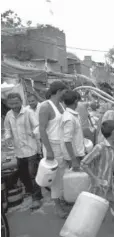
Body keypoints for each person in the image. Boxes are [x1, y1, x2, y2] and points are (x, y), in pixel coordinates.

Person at [81, 120, 114, 237]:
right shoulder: (100, 147)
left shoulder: (113, 146)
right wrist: (95, 179)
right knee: (97, 216)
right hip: (99, 188)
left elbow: (111, 161)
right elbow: (83, 163)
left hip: (111, 186)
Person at [4, 93, 42, 209]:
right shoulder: (9, 115)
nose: (14, 105)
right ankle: (30, 192)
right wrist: (7, 137)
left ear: (21, 101)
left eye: (16, 103)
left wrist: (34, 133)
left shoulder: (28, 112)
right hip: (18, 151)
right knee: (24, 175)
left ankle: (36, 198)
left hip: (31, 149)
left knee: (33, 175)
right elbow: (7, 129)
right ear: (8, 104)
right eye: (11, 104)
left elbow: (37, 126)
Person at [38, 81, 68, 218]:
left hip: (61, 146)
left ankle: (60, 200)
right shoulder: (45, 106)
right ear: (58, 91)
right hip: (52, 147)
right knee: (55, 179)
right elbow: (42, 129)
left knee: (62, 176)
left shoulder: (60, 105)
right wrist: (49, 151)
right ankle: (57, 206)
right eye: (64, 91)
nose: (66, 94)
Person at [61, 90, 86, 170]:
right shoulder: (69, 118)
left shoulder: (72, 115)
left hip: (77, 153)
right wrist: (73, 160)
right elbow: (67, 140)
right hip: (74, 155)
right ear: (76, 101)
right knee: (76, 179)